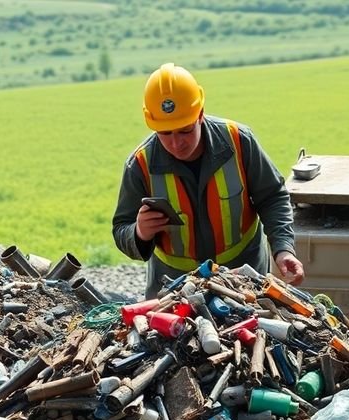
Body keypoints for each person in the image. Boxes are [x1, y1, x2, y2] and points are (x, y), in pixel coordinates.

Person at [113, 63, 304, 299]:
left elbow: (272, 196)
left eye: (184, 130)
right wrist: (140, 232)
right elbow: (121, 228)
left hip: (243, 282)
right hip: (173, 290)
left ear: (200, 114)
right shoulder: (140, 164)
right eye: (165, 133)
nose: (176, 143)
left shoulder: (239, 142)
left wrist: (283, 248)